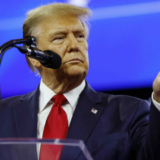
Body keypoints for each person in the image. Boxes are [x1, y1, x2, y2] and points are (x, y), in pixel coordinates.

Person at [1, 2, 160, 160]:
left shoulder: (129, 111)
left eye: (80, 36)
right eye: (59, 38)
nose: (74, 45)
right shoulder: (3, 114)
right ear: (33, 57)